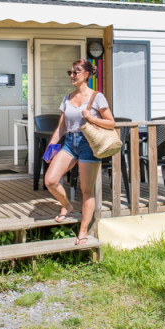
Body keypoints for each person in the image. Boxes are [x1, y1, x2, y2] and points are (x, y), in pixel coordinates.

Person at [44, 59, 115, 245]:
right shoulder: (67, 98)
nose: (72, 75)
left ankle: (83, 231)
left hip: (88, 144)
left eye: (76, 72)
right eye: (70, 72)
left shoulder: (97, 97)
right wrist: (50, 149)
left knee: (86, 190)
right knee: (50, 180)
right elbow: (61, 128)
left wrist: (91, 118)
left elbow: (111, 123)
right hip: (69, 142)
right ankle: (66, 205)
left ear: (86, 75)